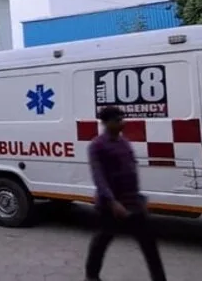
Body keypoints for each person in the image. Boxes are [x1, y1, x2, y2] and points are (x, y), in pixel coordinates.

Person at [85, 106, 167, 281]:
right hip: (111, 205)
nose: (122, 123)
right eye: (117, 120)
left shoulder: (124, 143)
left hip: (132, 202)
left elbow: (131, 170)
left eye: (122, 119)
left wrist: (139, 198)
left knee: (149, 243)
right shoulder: (97, 145)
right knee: (102, 240)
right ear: (106, 123)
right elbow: (99, 177)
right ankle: (91, 276)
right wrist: (112, 202)